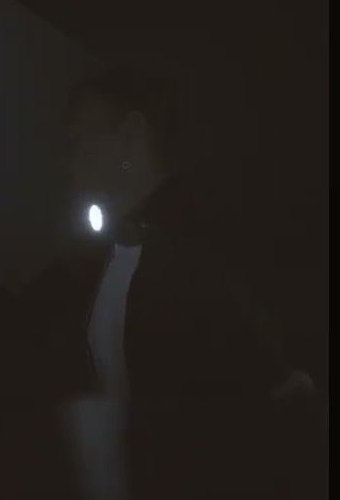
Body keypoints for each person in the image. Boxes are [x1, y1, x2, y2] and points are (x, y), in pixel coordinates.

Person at [23, 67, 315, 403]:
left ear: (131, 135)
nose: (70, 163)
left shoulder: (210, 250)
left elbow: (275, 383)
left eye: (78, 142)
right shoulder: (89, 257)